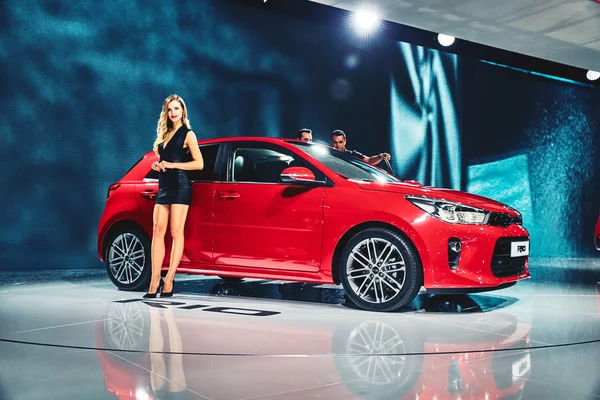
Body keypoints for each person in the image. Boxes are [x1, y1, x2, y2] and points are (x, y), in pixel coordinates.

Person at [144, 94, 204, 299]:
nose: (172, 113)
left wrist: (172, 165)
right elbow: (166, 159)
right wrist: (159, 165)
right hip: (164, 184)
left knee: (175, 232)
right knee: (157, 231)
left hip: (180, 185)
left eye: (176, 109)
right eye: (169, 110)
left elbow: (199, 164)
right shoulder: (165, 135)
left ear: (183, 111)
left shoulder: (188, 134)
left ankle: (169, 279)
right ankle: (154, 279)